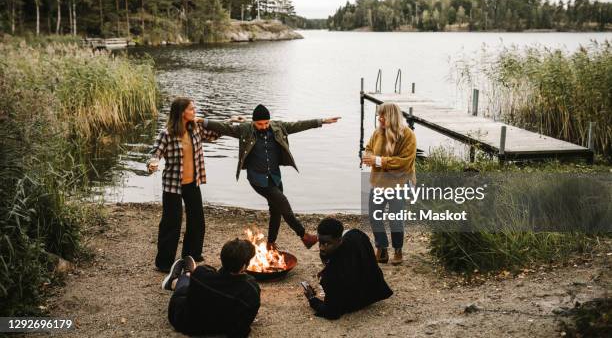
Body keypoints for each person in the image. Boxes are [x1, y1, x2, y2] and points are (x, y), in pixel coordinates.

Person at [200, 104, 340, 249]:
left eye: (266, 123)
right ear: (254, 122)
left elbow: (298, 125)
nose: (263, 126)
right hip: (258, 180)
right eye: (260, 124)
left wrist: (321, 121)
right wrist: (202, 121)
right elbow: (224, 128)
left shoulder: (277, 127)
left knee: (276, 210)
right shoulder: (245, 130)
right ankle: (304, 236)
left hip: (275, 177)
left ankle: (271, 243)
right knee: (284, 204)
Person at [147, 97, 220, 272]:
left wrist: (231, 122)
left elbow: (216, 134)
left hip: (192, 183)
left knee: (197, 221)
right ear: (181, 112)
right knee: (171, 223)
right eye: (191, 109)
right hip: (173, 185)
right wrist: (152, 163)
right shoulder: (167, 133)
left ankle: (191, 255)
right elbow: (155, 153)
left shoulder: (196, 129)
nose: (194, 111)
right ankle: (164, 263)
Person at [163, 239, 260, 337]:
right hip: (222, 330)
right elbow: (243, 326)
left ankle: (178, 278)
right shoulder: (250, 290)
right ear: (243, 266)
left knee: (185, 286)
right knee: (191, 284)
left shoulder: (202, 273)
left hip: (187, 324)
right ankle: (182, 276)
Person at [302, 217, 393, 320]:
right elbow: (356, 261)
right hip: (375, 291)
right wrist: (327, 268)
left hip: (356, 301)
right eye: (320, 242)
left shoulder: (331, 277)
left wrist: (312, 298)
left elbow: (332, 312)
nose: (322, 247)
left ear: (340, 239)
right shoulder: (356, 234)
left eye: (327, 243)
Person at [362, 102, 417, 265]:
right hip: (378, 183)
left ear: (392, 116)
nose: (379, 118)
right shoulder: (377, 133)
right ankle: (382, 248)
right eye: (379, 115)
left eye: (382, 115)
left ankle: (398, 249)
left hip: (398, 184)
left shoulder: (408, 135)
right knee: (374, 216)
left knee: (395, 219)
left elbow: (404, 162)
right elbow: (368, 148)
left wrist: (378, 160)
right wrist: (367, 156)